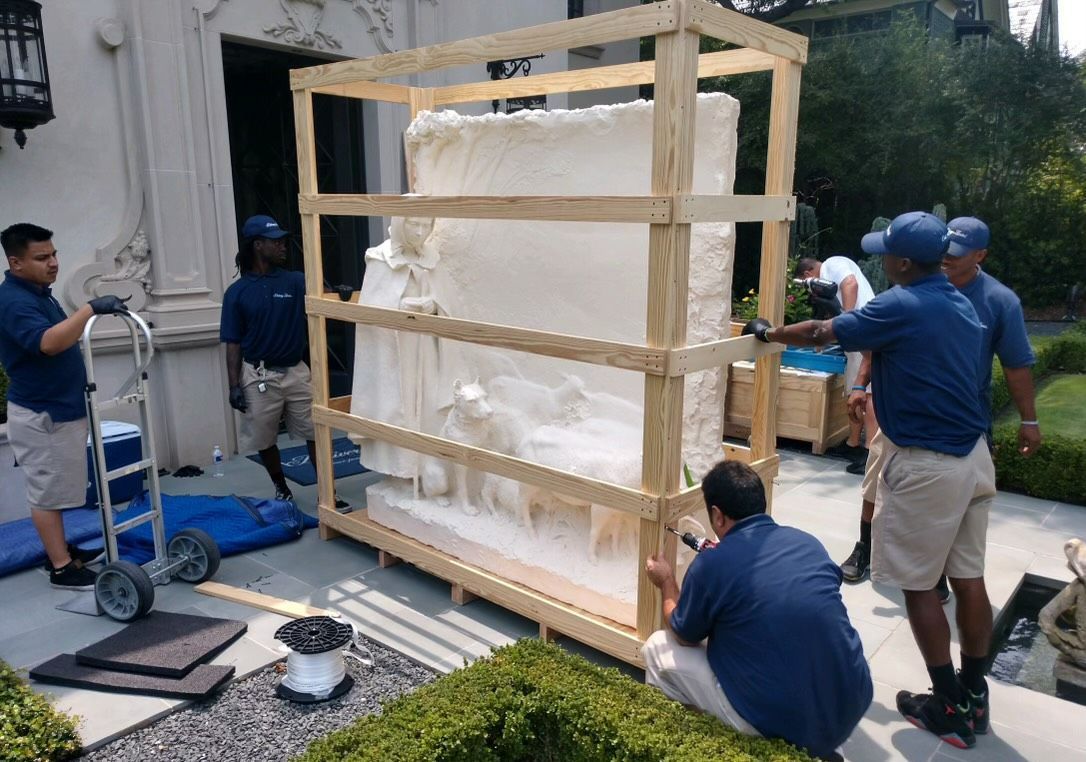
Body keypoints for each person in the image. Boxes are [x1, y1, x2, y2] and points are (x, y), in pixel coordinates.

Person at [744, 211, 996, 750]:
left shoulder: (901, 302)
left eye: (886, 253)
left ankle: (947, 705)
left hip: (930, 464)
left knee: (920, 584)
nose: (880, 259)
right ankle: (974, 695)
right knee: (968, 578)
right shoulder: (957, 301)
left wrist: (767, 333)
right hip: (974, 456)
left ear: (903, 262)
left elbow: (820, 330)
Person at [839, 217, 1039, 594]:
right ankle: (863, 548)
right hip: (901, 416)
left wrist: (1029, 419)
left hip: (961, 421)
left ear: (980, 255)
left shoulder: (998, 301)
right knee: (874, 485)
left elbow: (1017, 365)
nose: (946, 258)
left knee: (952, 504)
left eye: (957, 254)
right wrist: (860, 383)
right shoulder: (917, 285)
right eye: (944, 250)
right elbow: (879, 337)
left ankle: (936, 575)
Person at [642, 460, 872, 761]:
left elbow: (683, 633)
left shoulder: (711, 565)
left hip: (778, 713)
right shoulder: (806, 542)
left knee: (657, 649)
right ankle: (822, 745)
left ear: (717, 516)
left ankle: (704, 749)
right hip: (850, 697)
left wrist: (667, 581)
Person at [0, 223, 130, 590]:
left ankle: (60, 550)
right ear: (16, 262)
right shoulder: (12, 301)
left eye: (54, 254)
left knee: (58, 488)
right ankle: (61, 568)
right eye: (42, 258)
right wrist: (90, 308)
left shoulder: (39, 293)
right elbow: (48, 343)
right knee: (46, 491)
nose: (54, 262)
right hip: (42, 414)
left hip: (60, 408)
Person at [220, 215, 347, 509]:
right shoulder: (237, 293)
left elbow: (322, 297)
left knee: (316, 431)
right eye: (275, 241)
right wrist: (233, 386)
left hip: (296, 371)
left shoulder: (294, 280)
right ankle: (281, 487)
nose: (282, 246)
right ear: (257, 245)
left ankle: (327, 493)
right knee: (263, 438)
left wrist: (338, 294)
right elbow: (233, 342)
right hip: (258, 374)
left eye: (282, 240)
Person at [350, 215, 463, 479]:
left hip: (425, 348)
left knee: (425, 403)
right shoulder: (380, 258)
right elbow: (371, 309)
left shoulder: (432, 260)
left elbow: (447, 302)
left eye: (426, 225)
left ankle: (427, 471)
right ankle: (398, 470)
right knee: (396, 401)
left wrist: (433, 305)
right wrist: (399, 308)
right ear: (401, 223)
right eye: (414, 224)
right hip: (393, 349)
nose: (420, 231)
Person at [795, 256, 876, 462]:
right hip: (858, 333)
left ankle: (869, 453)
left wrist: (845, 322)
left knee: (867, 395)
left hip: (862, 331)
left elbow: (851, 284)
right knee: (854, 391)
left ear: (808, 275)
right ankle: (853, 443)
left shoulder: (832, 263)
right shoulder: (831, 279)